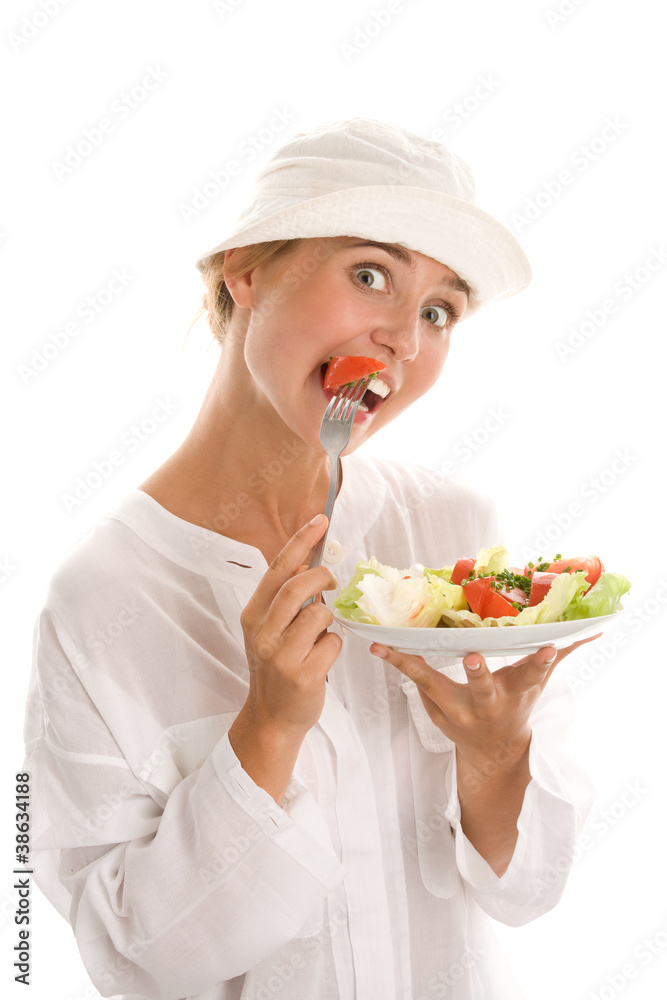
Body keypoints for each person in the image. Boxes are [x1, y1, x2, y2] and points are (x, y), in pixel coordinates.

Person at [24, 118, 597, 1000]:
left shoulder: (452, 533)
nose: (406, 337)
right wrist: (267, 730)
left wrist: (498, 757)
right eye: (371, 274)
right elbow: (129, 958)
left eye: (439, 311)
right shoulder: (100, 600)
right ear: (244, 267)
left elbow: (529, 889)